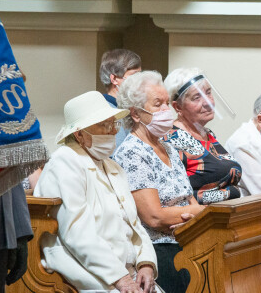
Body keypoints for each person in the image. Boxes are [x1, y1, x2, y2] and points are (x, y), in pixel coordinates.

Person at [34, 91, 160, 293]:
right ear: (79, 134)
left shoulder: (112, 166)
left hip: (127, 272)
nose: (112, 131)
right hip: (87, 272)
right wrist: (120, 278)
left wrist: (146, 263)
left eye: (113, 124)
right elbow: (77, 234)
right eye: (104, 125)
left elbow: (134, 224)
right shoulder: (64, 163)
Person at [113, 71, 204, 293]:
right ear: (135, 114)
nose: (166, 110)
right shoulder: (133, 152)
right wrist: (200, 213)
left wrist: (194, 216)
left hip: (188, 235)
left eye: (167, 103)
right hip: (158, 248)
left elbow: (189, 199)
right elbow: (154, 217)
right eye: (158, 104)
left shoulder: (168, 147)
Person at [163, 68, 242, 204]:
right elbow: (174, 194)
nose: (207, 102)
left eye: (208, 93)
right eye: (196, 97)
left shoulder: (207, 133)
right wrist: (231, 192)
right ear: (178, 107)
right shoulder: (172, 139)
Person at [99, 49, 142, 149]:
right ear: (114, 79)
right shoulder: (106, 111)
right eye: (134, 76)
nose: (139, 81)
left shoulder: (127, 108)